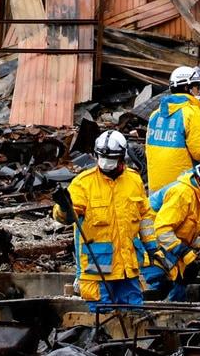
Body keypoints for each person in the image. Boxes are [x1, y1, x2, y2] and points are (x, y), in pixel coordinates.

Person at [53, 130, 157, 311]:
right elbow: (67, 217)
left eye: (111, 158)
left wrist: (152, 246)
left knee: (134, 315)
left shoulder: (134, 180)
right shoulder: (83, 183)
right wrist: (63, 207)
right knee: (101, 317)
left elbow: (145, 217)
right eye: (102, 157)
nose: (106, 162)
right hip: (97, 268)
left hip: (127, 268)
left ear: (122, 157)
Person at [141, 159, 200, 300]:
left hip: (167, 238)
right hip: (150, 237)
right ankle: (152, 308)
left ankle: (176, 306)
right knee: (160, 278)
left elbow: (188, 226)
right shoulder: (182, 194)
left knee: (183, 277)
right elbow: (163, 230)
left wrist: (195, 246)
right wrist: (184, 252)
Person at [146, 66, 200, 194]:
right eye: (197, 87)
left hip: (156, 189)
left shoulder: (155, 115)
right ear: (187, 88)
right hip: (182, 189)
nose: (198, 91)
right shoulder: (192, 113)